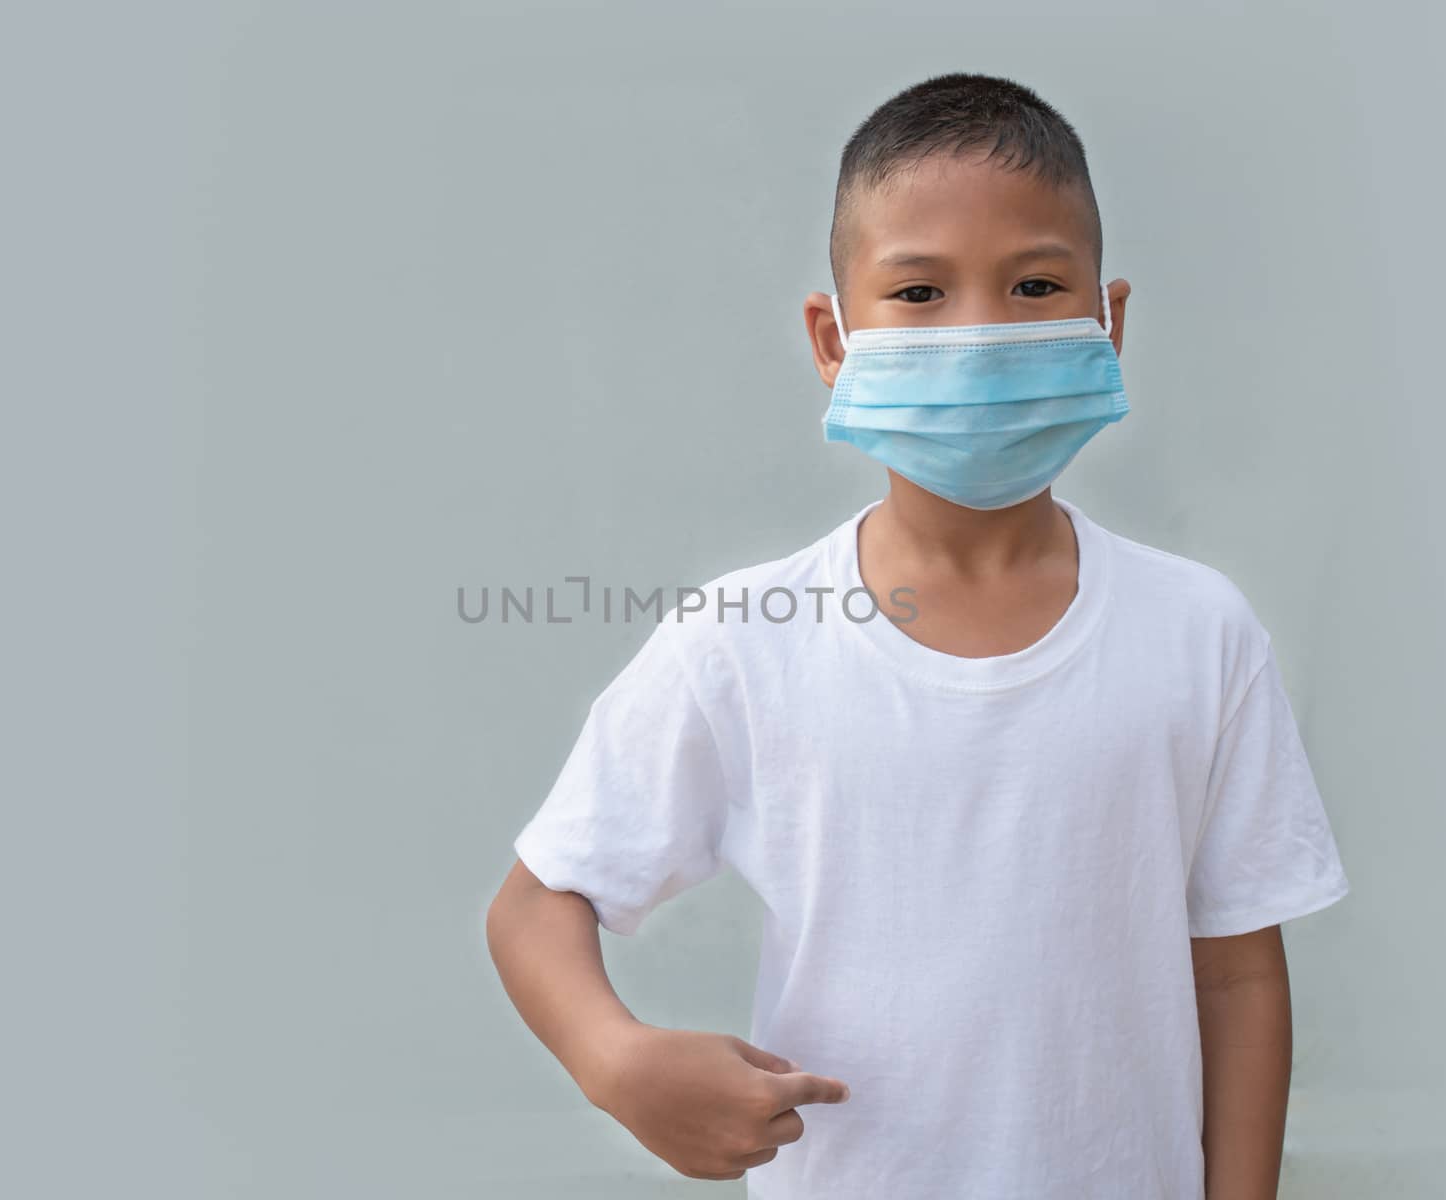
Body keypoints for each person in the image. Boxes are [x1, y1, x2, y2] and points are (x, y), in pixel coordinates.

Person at [485, 72, 1350, 1199]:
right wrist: (615, 1059)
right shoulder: (745, 640)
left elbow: (1235, 979)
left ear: (1109, 321)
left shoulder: (1199, 631)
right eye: (920, 293)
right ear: (831, 339)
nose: (981, 336)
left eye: (1036, 284)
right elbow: (536, 901)